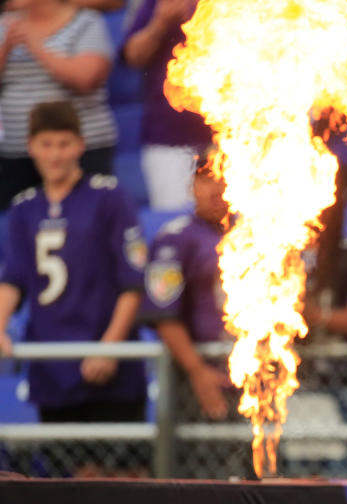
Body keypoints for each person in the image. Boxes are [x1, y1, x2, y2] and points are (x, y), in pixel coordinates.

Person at [0, 101, 147, 476]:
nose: (55, 154)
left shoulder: (108, 198)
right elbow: (12, 280)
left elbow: (133, 282)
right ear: (31, 146)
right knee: (74, 485)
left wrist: (110, 348)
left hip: (110, 370)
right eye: (46, 144)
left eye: (64, 143)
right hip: (54, 368)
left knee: (125, 482)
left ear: (81, 145)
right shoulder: (22, 209)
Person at [138, 151, 254, 479]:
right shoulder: (174, 239)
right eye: (208, 178)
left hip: (258, 376)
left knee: (264, 479)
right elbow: (164, 316)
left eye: (225, 176)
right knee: (203, 477)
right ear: (192, 186)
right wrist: (197, 370)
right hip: (203, 376)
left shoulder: (264, 232)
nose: (217, 188)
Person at [0, 0, 118, 210]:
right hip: (16, 152)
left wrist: (35, 45)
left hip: (80, 151)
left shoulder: (86, 21)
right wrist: (7, 46)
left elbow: (85, 78)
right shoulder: (5, 26)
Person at [121, 0, 213, 212]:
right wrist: (160, 23)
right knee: (175, 222)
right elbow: (133, 56)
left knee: (240, 225)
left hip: (233, 136)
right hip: (169, 138)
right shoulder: (155, 3)